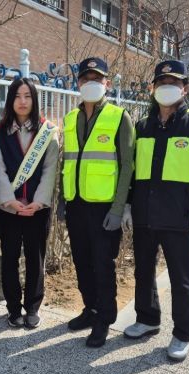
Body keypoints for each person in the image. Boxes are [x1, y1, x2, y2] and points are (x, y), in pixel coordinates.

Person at [121, 60, 189, 361]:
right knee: (143, 271)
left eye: (174, 83)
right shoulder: (143, 126)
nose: (167, 87)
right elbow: (132, 169)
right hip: (144, 214)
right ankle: (147, 318)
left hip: (179, 216)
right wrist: (128, 203)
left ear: (185, 88)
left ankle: (183, 333)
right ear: (153, 88)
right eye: (162, 82)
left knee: (182, 277)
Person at [59, 57, 135, 348]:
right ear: (77, 83)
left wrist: (119, 208)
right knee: (81, 261)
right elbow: (67, 163)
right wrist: (64, 201)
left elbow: (128, 166)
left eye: (96, 78)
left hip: (104, 207)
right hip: (76, 204)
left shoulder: (119, 117)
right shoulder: (70, 118)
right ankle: (90, 309)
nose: (90, 83)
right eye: (85, 78)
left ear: (107, 83)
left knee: (103, 264)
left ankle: (104, 317)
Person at [0, 78, 59, 329]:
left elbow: (50, 169)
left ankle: (32, 307)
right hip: (8, 209)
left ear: (35, 100)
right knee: (9, 257)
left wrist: (38, 202)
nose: (22, 101)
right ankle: (13, 308)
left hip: (37, 209)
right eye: (17, 96)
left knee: (35, 257)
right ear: (10, 100)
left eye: (27, 96)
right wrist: (9, 201)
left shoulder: (47, 131)